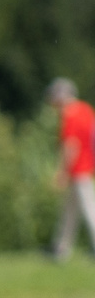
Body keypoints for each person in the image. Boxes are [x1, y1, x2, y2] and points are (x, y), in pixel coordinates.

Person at [50, 80, 95, 261]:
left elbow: (70, 146)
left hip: (78, 169)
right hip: (87, 166)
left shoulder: (70, 115)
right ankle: (61, 248)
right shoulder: (86, 109)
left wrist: (62, 173)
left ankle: (63, 249)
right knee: (70, 211)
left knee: (89, 209)